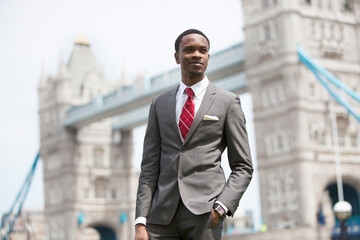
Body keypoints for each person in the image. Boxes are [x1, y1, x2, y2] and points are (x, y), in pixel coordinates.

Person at [134, 29, 253, 240]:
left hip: (205, 215)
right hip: (160, 218)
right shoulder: (159, 104)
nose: (196, 54)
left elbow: (243, 166)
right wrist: (141, 221)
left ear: (208, 57)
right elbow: (149, 167)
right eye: (189, 50)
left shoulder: (227, 102)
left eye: (203, 50)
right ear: (177, 57)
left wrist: (221, 207)